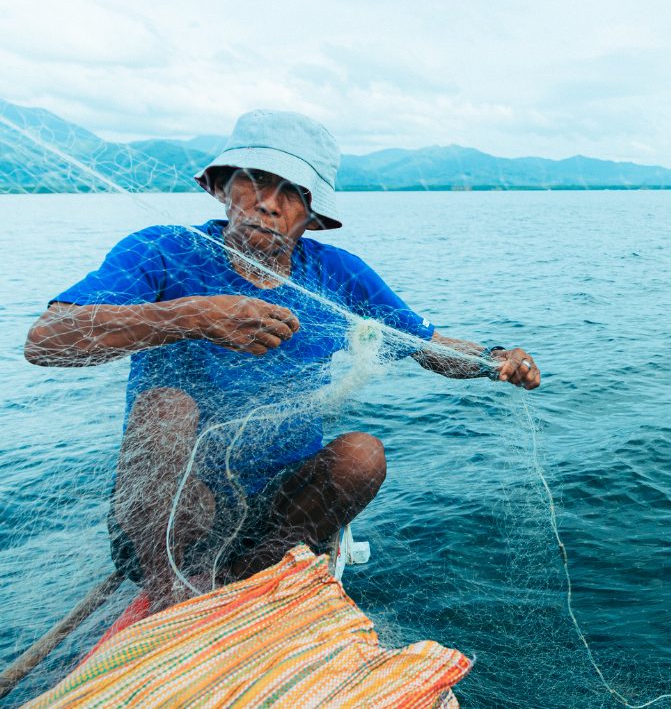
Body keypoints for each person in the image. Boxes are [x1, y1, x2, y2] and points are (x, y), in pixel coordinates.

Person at [24, 109, 540, 611]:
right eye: (254, 180)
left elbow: (425, 344)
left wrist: (493, 360)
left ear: (311, 215)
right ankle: (170, 598)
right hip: (175, 508)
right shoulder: (162, 250)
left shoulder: (337, 274)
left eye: (292, 192)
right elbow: (47, 340)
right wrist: (193, 316)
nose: (269, 203)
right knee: (166, 407)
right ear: (221, 187)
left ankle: (257, 579)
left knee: (363, 455)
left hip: (279, 507)